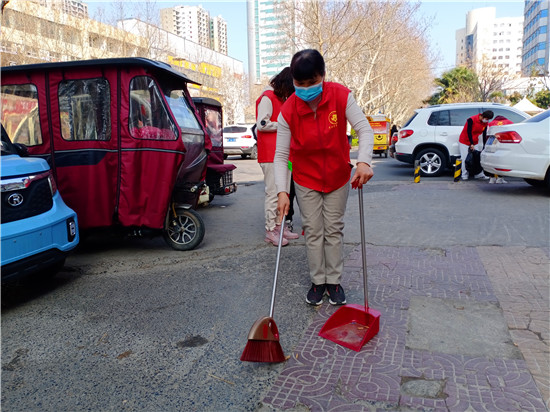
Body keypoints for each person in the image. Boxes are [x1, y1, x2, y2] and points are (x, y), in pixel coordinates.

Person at [274, 49, 374, 306]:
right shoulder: (288, 110)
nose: (307, 89)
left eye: (312, 82)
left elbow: (364, 129)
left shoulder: (341, 96)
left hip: (337, 176)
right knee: (313, 230)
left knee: (333, 229)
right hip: (305, 178)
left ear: (323, 76)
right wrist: (282, 192)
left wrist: (363, 161)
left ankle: (334, 281)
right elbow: (281, 155)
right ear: (293, 81)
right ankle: (318, 282)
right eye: (300, 84)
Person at [256, 67, 300, 246]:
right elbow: (262, 124)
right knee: (274, 193)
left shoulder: (281, 99)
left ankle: (280, 227)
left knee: (284, 191)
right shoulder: (268, 97)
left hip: (282, 155)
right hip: (270, 154)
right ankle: (271, 229)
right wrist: (284, 125)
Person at [459, 110, 493, 180]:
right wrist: (471, 144)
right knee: (465, 158)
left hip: (475, 141)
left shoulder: (485, 123)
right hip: (465, 141)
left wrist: (484, 146)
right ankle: (464, 175)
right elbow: (469, 132)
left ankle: (478, 174)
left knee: (477, 158)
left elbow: (484, 134)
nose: (487, 120)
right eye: (486, 119)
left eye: (488, 119)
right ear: (483, 116)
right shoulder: (471, 119)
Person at [487, 115, 512, 184]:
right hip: (502, 143)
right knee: (501, 161)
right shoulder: (509, 122)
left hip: (492, 143)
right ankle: (500, 178)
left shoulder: (491, 123)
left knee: (491, 161)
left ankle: (491, 178)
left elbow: (487, 134)